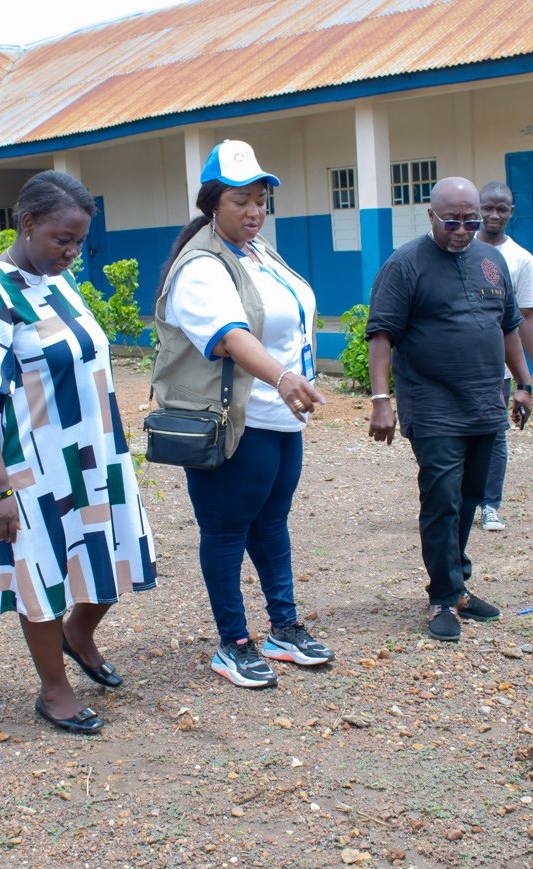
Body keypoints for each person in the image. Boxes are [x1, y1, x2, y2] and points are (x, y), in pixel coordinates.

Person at [0, 170, 157, 734]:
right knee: (38, 576)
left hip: (89, 454)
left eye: (80, 241)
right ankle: (53, 689)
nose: (72, 252)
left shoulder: (57, 283)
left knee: (111, 552)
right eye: (62, 239)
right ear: (27, 223)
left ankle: (79, 634)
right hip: (26, 464)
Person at [152, 138, 334, 689]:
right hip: (233, 422)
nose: (254, 211)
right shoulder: (201, 267)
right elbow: (229, 337)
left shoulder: (258, 251)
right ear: (212, 204)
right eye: (240, 201)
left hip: (279, 418)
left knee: (272, 523)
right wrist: (280, 377)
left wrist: (288, 384)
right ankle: (233, 642)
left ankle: (283, 627)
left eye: (260, 200)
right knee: (227, 532)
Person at [366, 176, 533, 642]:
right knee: (440, 498)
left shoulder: (492, 261)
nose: (462, 229)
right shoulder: (405, 265)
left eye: (471, 221)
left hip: (484, 401)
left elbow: (509, 328)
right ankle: (442, 596)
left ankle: (457, 585)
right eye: (452, 221)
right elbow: (381, 334)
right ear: (431, 216)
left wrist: (523, 384)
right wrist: (382, 400)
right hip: (432, 402)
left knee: (469, 497)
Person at [474, 181, 533, 531]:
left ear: (511, 212)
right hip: (457, 364)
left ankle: (490, 504)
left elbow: (528, 318)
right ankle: (458, 500)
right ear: (477, 207)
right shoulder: (457, 247)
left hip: (499, 366)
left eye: (501, 208)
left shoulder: (521, 259)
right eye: (487, 207)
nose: (493, 214)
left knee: (495, 433)